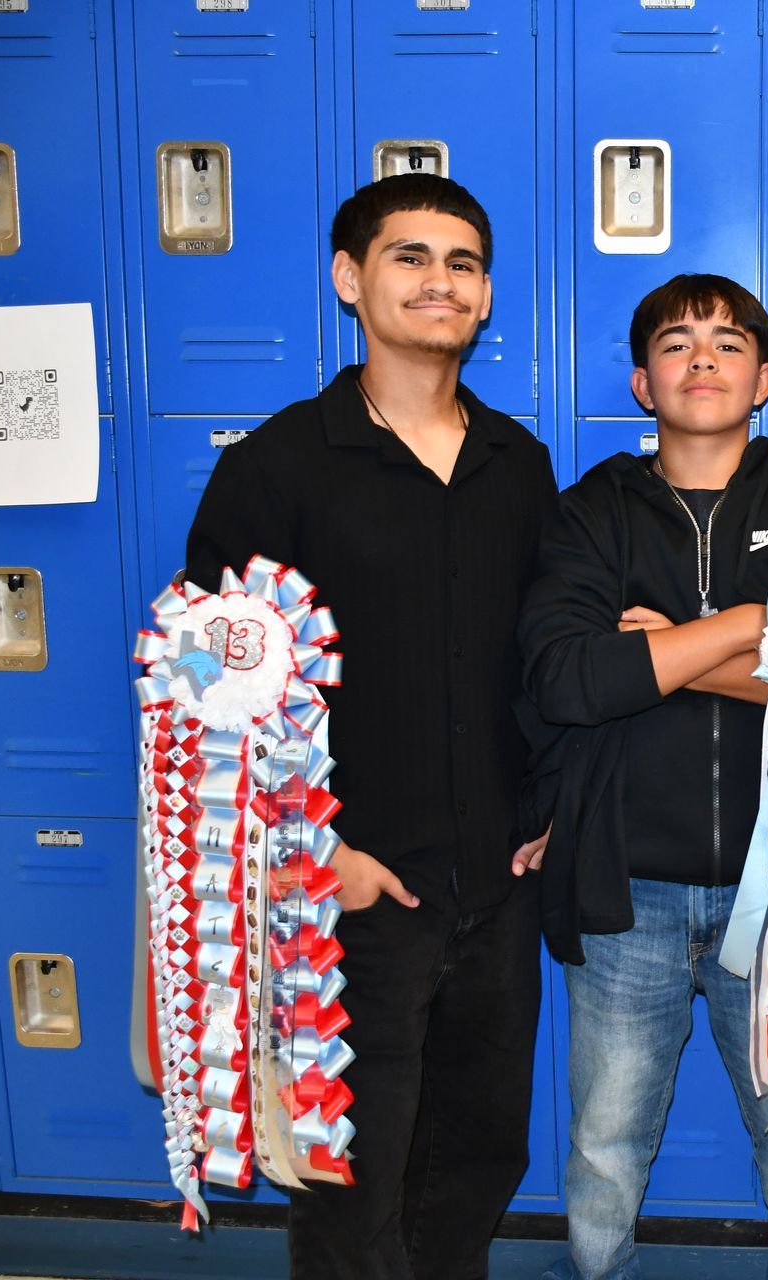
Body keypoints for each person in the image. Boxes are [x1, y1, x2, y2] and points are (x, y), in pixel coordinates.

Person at [186, 173, 557, 1279]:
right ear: (351, 280)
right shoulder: (277, 467)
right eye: (411, 257)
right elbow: (207, 690)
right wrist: (317, 853)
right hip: (348, 898)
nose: (439, 282)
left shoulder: (520, 464)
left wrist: (544, 813)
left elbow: (546, 663)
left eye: (462, 263)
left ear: (485, 296)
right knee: (350, 1188)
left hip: (494, 892)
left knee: (479, 1158)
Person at [520, 273, 768, 1280]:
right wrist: (757, 626)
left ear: (765, 377)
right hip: (625, 889)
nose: (702, 359)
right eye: (677, 343)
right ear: (643, 381)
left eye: (729, 343)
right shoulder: (593, 509)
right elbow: (570, 678)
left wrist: (677, 649)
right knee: (606, 1143)